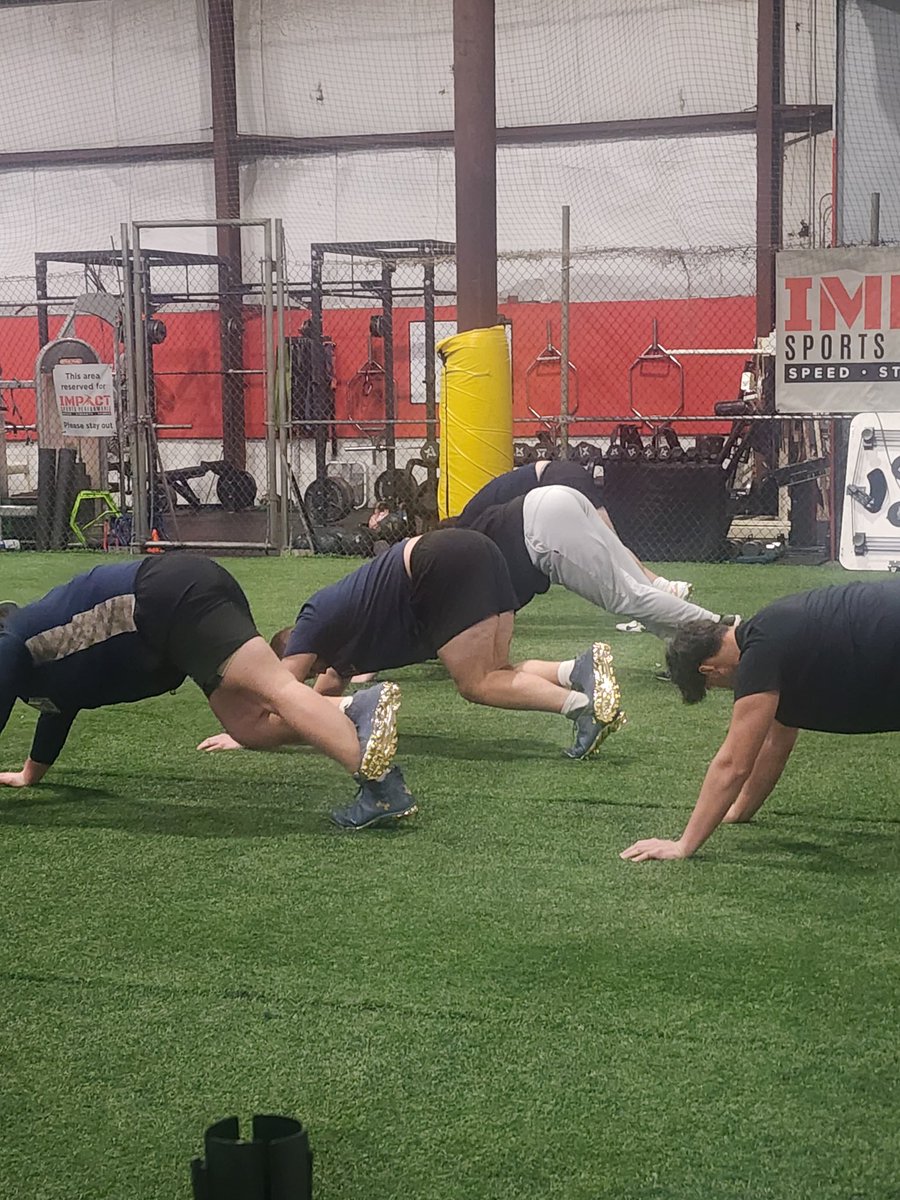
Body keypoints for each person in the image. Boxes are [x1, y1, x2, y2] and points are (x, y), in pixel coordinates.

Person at [0, 553, 414, 830]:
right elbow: (57, 707)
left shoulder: (13, 638)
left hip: (165, 596)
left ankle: (373, 765)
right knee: (248, 724)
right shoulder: (43, 670)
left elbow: (8, 654)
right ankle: (350, 712)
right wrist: (31, 774)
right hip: (173, 613)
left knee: (275, 689)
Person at [199, 528, 627, 777]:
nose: (316, 675)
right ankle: (578, 670)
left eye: (308, 668)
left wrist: (245, 732)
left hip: (433, 562)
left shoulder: (310, 621)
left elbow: (282, 693)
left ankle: (581, 709)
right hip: (475, 550)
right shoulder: (343, 653)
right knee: (494, 671)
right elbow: (323, 701)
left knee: (475, 684)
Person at [620, 579, 900, 863]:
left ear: (710, 671)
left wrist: (683, 845)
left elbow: (733, 764)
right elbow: (774, 743)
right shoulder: (768, 626)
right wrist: (738, 810)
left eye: (712, 686)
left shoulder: (759, 656)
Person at [457, 484, 731, 640]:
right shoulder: (459, 544)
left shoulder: (460, 578)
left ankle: (724, 628)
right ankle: (689, 649)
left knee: (627, 598)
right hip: (553, 497)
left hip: (542, 530)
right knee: (636, 589)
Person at [456, 458, 693, 598]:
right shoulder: (473, 517)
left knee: (609, 546)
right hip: (562, 473)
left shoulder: (469, 529)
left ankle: (658, 590)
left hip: (555, 477)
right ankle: (660, 587)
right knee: (610, 544)